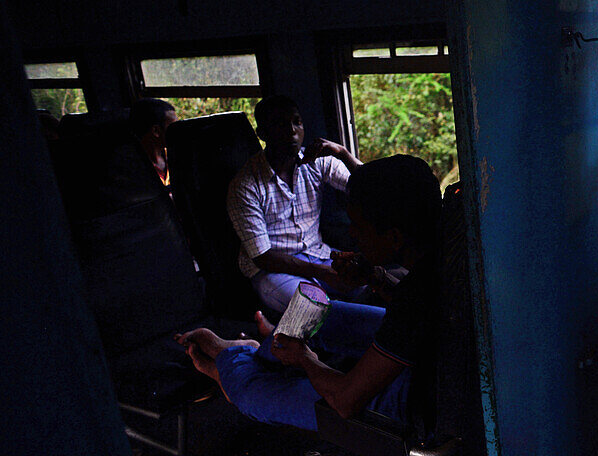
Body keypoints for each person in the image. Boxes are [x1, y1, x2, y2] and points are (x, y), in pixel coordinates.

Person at [177, 155, 442, 431]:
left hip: (411, 400)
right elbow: (417, 309)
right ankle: (262, 353)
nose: (352, 234)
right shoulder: (443, 249)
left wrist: (305, 359)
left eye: (359, 227)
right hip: (426, 349)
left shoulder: (415, 303)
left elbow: (344, 400)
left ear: (395, 237)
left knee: (252, 393)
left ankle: (231, 367)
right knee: (325, 314)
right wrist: (374, 277)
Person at [227, 94, 364, 313]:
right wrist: (321, 272)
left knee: (370, 288)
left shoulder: (316, 163)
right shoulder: (245, 185)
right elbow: (263, 257)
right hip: (273, 270)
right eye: (280, 124)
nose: (292, 131)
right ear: (262, 134)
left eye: (297, 122)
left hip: (318, 255)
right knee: (314, 309)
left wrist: (343, 153)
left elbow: (369, 185)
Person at [129, 98, 178, 186]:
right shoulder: (131, 168)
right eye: (173, 127)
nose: (178, 132)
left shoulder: (173, 156)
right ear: (156, 131)